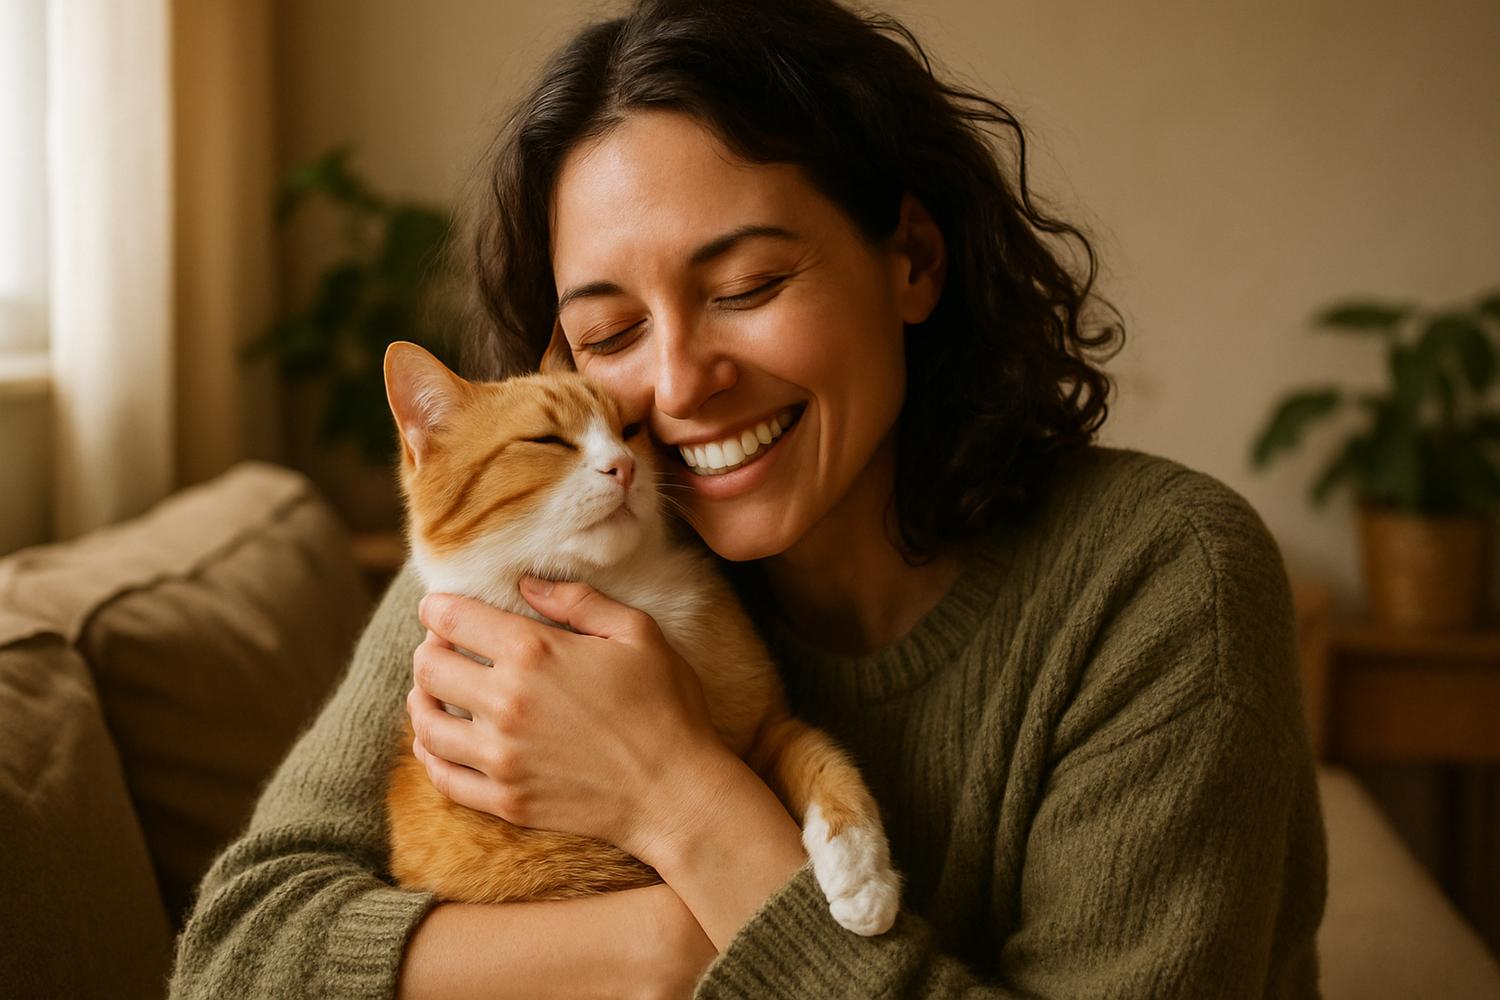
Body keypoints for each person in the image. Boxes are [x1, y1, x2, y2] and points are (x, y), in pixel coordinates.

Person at [170, 0, 1326, 996]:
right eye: (611, 331)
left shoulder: (1165, 581)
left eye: (750, 284)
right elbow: (234, 953)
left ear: (913, 260)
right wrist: (656, 944)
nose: (676, 387)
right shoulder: (551, 535)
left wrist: (682, 804)